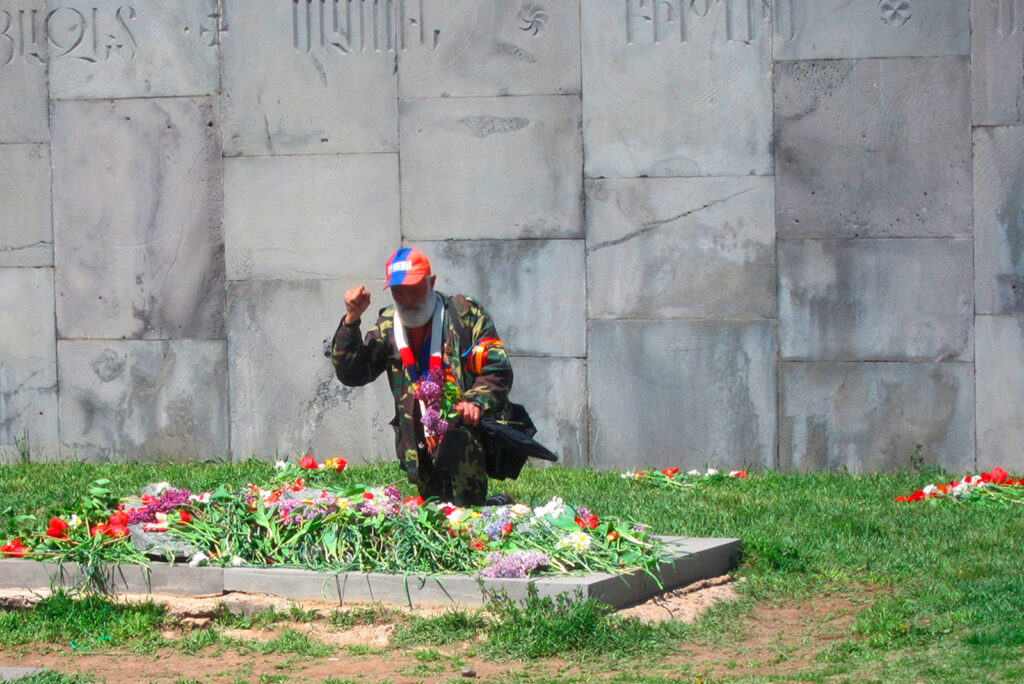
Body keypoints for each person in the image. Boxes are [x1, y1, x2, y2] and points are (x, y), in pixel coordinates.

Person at [330, 248, 514, 506]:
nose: (405, 298)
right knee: (436, 513)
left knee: (466, 515)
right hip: (418, 443)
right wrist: (351, 321)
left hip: (463, 436)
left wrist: (475, 402)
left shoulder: (465, 315)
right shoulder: (388, 326)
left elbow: (497, 369)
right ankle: (496, 506)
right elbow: (352, 373)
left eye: (414, 287)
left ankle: (485, 509)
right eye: (397, 290)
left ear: (432, 282)